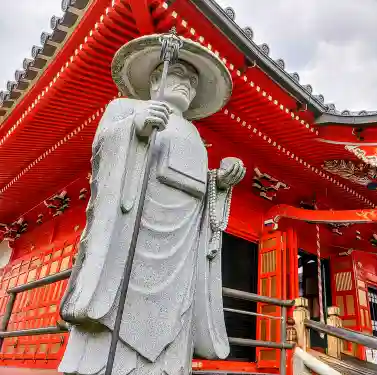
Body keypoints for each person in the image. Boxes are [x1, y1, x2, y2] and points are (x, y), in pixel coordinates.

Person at [58, 34, 245, 375]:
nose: (187, 84)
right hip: (133, 230)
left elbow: (201, 195)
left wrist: (219, 180)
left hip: (181, 246)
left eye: (193, 81)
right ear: (156, 78)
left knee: (174, 317)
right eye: (179, 76)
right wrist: (136, 129)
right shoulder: (125, 108)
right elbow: (103, 152)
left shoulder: (193, 135)